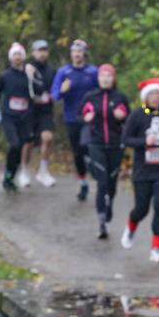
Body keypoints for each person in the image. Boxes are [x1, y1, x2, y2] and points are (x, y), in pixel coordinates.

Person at [121, 77, 159, 263]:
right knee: (141, 209)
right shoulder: (137, 115)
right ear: (145, 97)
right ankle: (131, 226)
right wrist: (144, 142)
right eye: (151, 94)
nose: (155, 97)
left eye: (158, 94)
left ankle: (157, 248)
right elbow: (126, 139)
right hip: (143, 171)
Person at [79, 64, 130, 239]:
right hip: (96, 143)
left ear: (113, 78)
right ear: (98, 78)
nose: (106, 79)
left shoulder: (120, 97)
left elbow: (128, 116)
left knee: (111, 182)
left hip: (115, 145)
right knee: (102, 181)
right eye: (103, 76)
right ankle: (101, 222)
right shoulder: (90, 96)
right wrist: (87, 116)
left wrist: (122, 115)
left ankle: (109, 205)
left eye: (109, 75)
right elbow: (82, 113)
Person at [51, 39, 98, 200]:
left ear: (84, 54)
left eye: (79, 51)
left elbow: (101, 92)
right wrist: (62, 91)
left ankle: (95, 171)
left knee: (87, 145)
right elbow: (55, 95)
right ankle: (83, 182)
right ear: (71, 54)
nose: (76, 54)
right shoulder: (63, 72)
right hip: (71, 117)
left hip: (89, 117)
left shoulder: (92, 72)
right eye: (74, 51)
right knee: (77, 152)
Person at [0, 43, 34, 193]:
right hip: (9, 116)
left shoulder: (28, 74)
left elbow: (37, 93)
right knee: (15, 145)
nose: (18, 57)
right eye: (15, 55)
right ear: (11, 57)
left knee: (21, 147)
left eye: (20, 54)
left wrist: (32, 78)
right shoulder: (4, 75)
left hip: (25, 117)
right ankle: (8, 175)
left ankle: (9, 176)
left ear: (23, 57)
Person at [20, 39, 56, 188]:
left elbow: (55, 88)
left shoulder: (51, 69)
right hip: (29, 110)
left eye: (44, 50)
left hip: (46, 109)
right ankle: (24, 172)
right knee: (28, 142)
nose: (42, 53)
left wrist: (56, 94)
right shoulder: (27, 67)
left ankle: (43, 171)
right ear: (33, 52)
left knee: (47, 138)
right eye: (39, 50)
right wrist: (27, 76)